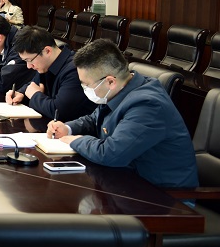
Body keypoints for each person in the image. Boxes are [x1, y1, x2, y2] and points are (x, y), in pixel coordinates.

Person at [47, 39, 198, 189]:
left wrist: (77, 140)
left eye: (86, 84)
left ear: (110, 82)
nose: (84, 88)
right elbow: (95, 119)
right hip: (127, 181)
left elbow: (110, 154)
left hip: (163, 195)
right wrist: (68, 128)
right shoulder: (121, 89)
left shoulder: (147, 105)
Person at [6, 26, 94, 121]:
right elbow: (33, 85)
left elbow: (58, 112)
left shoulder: (75, 70)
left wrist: (35, 95)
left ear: (47, 51)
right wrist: (20, 93)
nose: (28, 66)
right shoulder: (45, 65)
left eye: (29, 60)